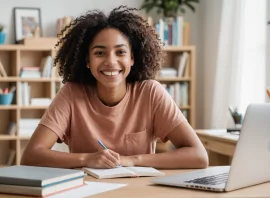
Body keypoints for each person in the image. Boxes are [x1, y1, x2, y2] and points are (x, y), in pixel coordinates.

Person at [21, 6, 208, 169]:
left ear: (132, 58)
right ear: (87, 60)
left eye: (120, 52)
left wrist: (132, 160)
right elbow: (31, 156)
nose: (111, 61)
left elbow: (199, 156)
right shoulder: (71, 94)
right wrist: (87, 159)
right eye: (100, 53)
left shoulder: (151, 92)